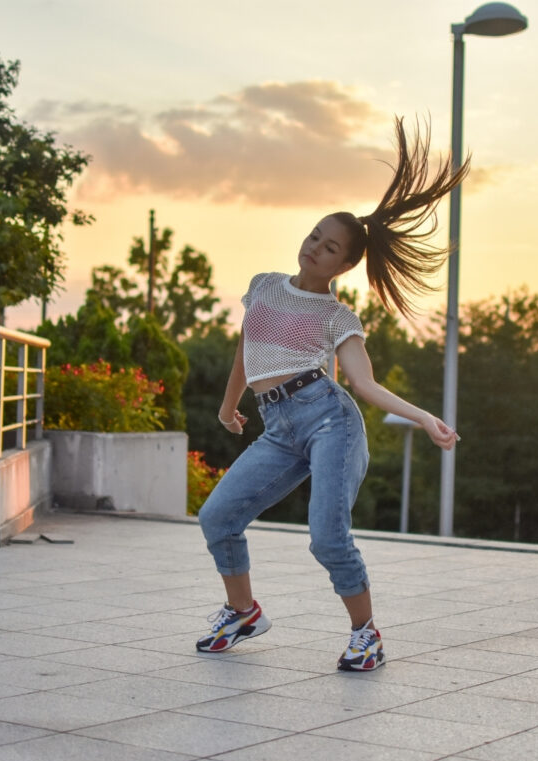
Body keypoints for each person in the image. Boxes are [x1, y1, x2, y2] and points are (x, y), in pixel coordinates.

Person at [196, 116, 469, 671]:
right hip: (278, 428)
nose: (316, 248)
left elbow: (363, 383)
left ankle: (366, 634)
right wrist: (228, 407)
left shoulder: (337, 316)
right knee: (217, 517)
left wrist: (424, 418)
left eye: (330, 248)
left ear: (345, 265)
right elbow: (247, 352)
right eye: (314, 236)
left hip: (328, 422)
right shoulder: (264, 286)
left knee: (326, 537)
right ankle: (243, 612)